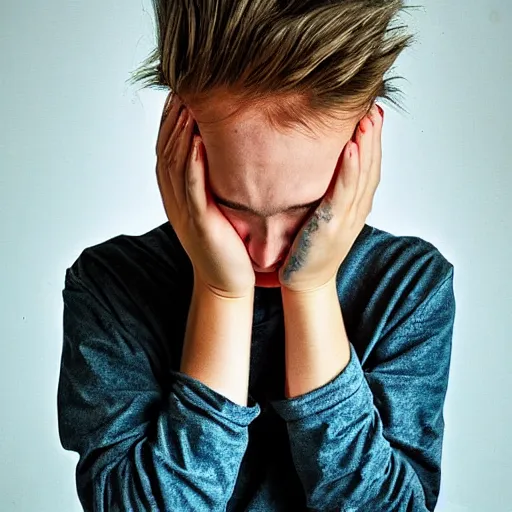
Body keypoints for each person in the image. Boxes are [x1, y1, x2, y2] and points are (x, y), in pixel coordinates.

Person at [57, 1, 456, 511]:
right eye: (233, 207)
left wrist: (310, 290)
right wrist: (221, 291)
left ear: (364, 145)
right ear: (177, 140)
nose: (266, 254)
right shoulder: (110, 286)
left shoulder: (408, 288)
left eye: (305, 211)